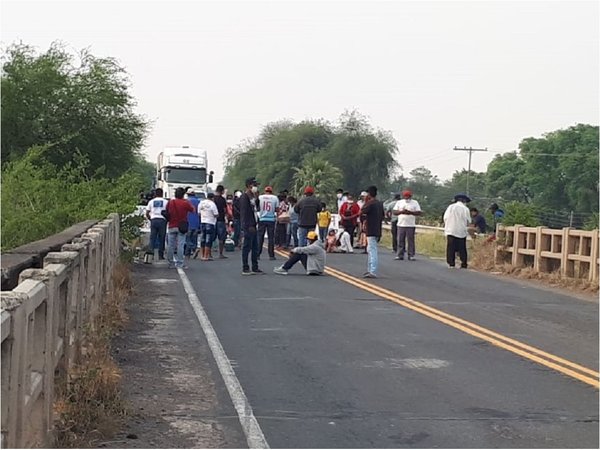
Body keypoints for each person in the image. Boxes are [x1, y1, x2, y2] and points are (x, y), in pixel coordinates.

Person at [165, 187, 194, 269]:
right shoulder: (185, 203)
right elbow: (193, 210)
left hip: (171, 225)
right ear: (183, 195)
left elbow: (166, 211)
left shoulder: (170, 202)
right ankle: (180, 263)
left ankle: (170, 263)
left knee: (171, 245)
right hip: (182, 226)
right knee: (180, 245)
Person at [239, 177, 263, 275]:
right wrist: (248, 225)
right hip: (249, 225)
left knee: (255, 247)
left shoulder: (252, 197)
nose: (256, 187)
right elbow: (244, 213)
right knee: (247, 247)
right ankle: (245, 267)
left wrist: (257, 198)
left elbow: (257, 208)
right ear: (249, 185)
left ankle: (255, 267)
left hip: (254, 223)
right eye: (255, 185)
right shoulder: (244, 197)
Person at [361, 186, 385, 278]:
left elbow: (362, 211)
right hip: (377, 229)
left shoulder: (370, 203)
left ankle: (373, 271)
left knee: (372, 250)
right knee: (370, 250)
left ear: (369, 194)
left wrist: (366, 201)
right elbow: (383, 215)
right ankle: (370, 269)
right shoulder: (379, 203)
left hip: (371, 229)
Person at [444, 193, 472, 269]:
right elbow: (468, 220)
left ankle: (451, 263)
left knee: (450, 247)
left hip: (451, 230)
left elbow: (445, 218)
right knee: (462, 248)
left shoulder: (451, 207)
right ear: (464, 201)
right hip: (461, 231)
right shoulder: (465, 209)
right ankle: (464, 263)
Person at [393, 190, 422, 261]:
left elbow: (419, 212)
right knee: (400, 240)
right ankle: (400, 254)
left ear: (410, 196)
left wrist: (410, 212)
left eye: (408, 196)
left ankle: (411, 255)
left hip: (410, 224)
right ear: (403, 196)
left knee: (410, 240)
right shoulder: (399, 202)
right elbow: (394, 212)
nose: (407, 198)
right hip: (401, 224)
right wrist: (402, 212)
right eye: (405, 196)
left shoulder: (415, 202)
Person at [145, 188, 168, 260]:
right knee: (162, 238)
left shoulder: (151, 202)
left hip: (154, 219)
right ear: (162, 193)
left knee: (153, 238)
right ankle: (160, 255)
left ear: (155, 194)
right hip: (162, 220)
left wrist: (150, 219)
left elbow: (147, 212)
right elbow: (169, 212)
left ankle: (151, 255)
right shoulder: (166, 202)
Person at [257, 186, 279, 260]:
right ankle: (271, 255)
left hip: (262, 219)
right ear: (271, 191)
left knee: (260, 237)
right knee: (271, 238)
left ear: (265, 191)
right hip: (271, 219)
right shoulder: (275, 198)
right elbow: (277, 209)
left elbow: (257, 208)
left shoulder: (260, 197)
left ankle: (257, 254)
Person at [198, 192, 219, 261]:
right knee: (208, 240)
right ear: (212, 198)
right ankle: (206, 256)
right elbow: (216, 214)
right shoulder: (212, 204)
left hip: (203, 222)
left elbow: (198, 212)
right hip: (210, 222)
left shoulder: (201, 203)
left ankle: (201, 255)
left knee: (202, 239)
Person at [213, 185, 229, 259]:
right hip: (221, 219)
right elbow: (225, 210)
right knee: (221, 238)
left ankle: (208, 253)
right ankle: (220, 253)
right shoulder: (222, 199)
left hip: (212, 220)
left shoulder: (213, 199)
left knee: (211, 237)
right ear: (222, 191)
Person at [185, 189, 201, 260]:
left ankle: (192, 249)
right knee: (194, 238)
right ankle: (190, 252)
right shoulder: (199, 202)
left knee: (187, 239)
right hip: (196, 222)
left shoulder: (186, 201)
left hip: (188, 222)